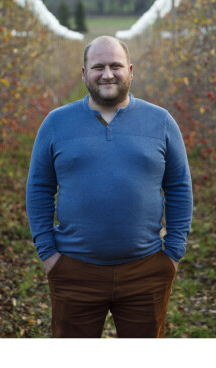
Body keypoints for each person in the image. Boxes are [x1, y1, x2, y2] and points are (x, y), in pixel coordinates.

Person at [26, 36, 193, 338]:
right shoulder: (55, 123)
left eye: (115, 66)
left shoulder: (161, 122)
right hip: (74, 270)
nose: (107, 74)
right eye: (98, 67)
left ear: (130, 71)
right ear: (83, 73)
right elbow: (39, 188)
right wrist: (48, 252)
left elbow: (179, 187)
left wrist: (173, 252)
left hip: (146, 270)